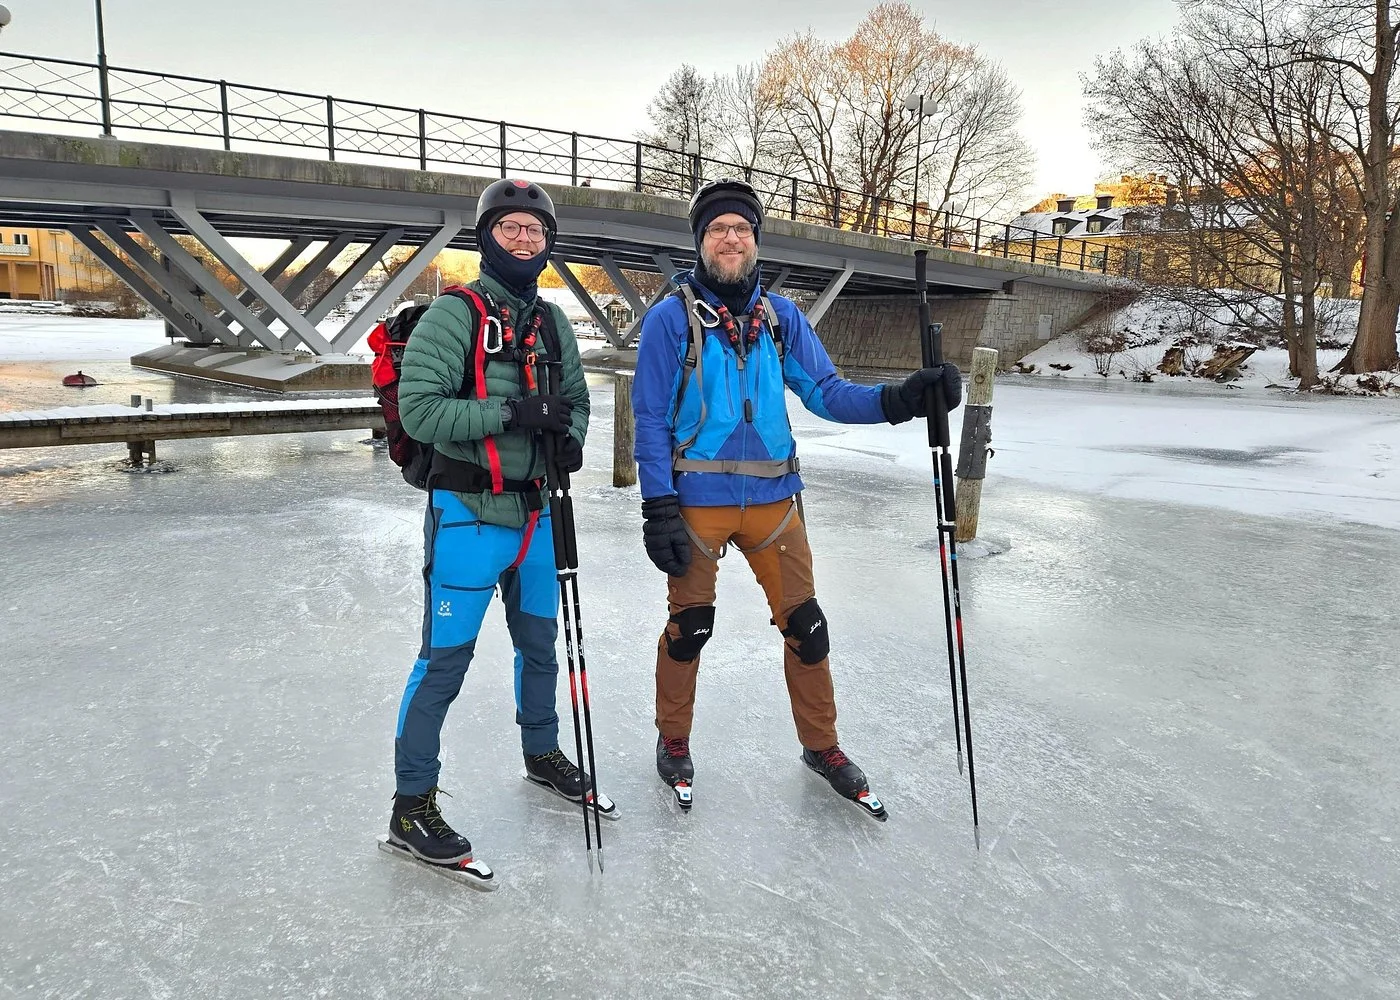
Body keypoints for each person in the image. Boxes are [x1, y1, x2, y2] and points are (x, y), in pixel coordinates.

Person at [631, 177, 962, 816]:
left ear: (755, 242)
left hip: (776, 503)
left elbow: (828, 392)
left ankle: (822, 746)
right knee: (690, 627)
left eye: (742, 230)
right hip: (697, 503)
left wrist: (900, 401)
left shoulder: (782, 319)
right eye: (719, 229)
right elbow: (648, 420)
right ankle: (673, 741)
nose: (732, 238)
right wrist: (658, 505)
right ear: (701, 242)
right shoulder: (670, 319)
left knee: (807, 628)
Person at [387, 177, 607, 866]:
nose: (523, 239)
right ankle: (411, 806)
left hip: (536, 515)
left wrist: (570, 435)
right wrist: (510, 414)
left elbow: (574, 399)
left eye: (535, 231)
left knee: (540, 646)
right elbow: (421, 411)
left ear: (547, 244)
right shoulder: (453, 316)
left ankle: (541, 751)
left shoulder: (553, 322)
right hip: (468, 516)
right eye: (510, 228)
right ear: (486, 238)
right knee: (444, 663)